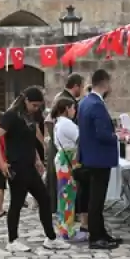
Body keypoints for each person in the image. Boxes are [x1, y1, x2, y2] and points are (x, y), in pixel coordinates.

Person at [0, 86, 70, 252]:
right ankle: (12, 241)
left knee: (44, 198)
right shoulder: (11, 116)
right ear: (26, 101)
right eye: (34, 105)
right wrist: (1, 163)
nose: (36, 109)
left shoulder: (30, 116)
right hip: (17, 167)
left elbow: (28, 139)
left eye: (38, 106)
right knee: (17, 204)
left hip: (29, 166)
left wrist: (37, 159)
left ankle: (51, 238)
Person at [78, 69, 120, 250]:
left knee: (95, 199)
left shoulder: (85, 102)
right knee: (97, 200)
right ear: (105, 84)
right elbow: (102, 134)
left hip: (90, 157)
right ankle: (96, 237)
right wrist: (117, 136)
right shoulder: (96, 105)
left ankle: (101, 232)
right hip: (99, 158)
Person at [46, 74, 85, 214]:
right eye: (81, 86)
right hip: (65, 150)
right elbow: (48, 121)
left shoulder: (62, 99)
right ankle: (67, 224)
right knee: (67, 192)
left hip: (61, 148)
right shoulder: (65, 100)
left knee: (64, 190)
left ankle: (64, 219)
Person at [52, 96, 88, 241]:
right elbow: (81, 139)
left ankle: (64, 228)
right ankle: (67, 231)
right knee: (67, 197)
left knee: (65, 196)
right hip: (67, 160)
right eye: (73, 108)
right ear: (67, 108)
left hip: (62, 160)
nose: (74, 111)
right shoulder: (67, 124)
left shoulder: (59, 123)